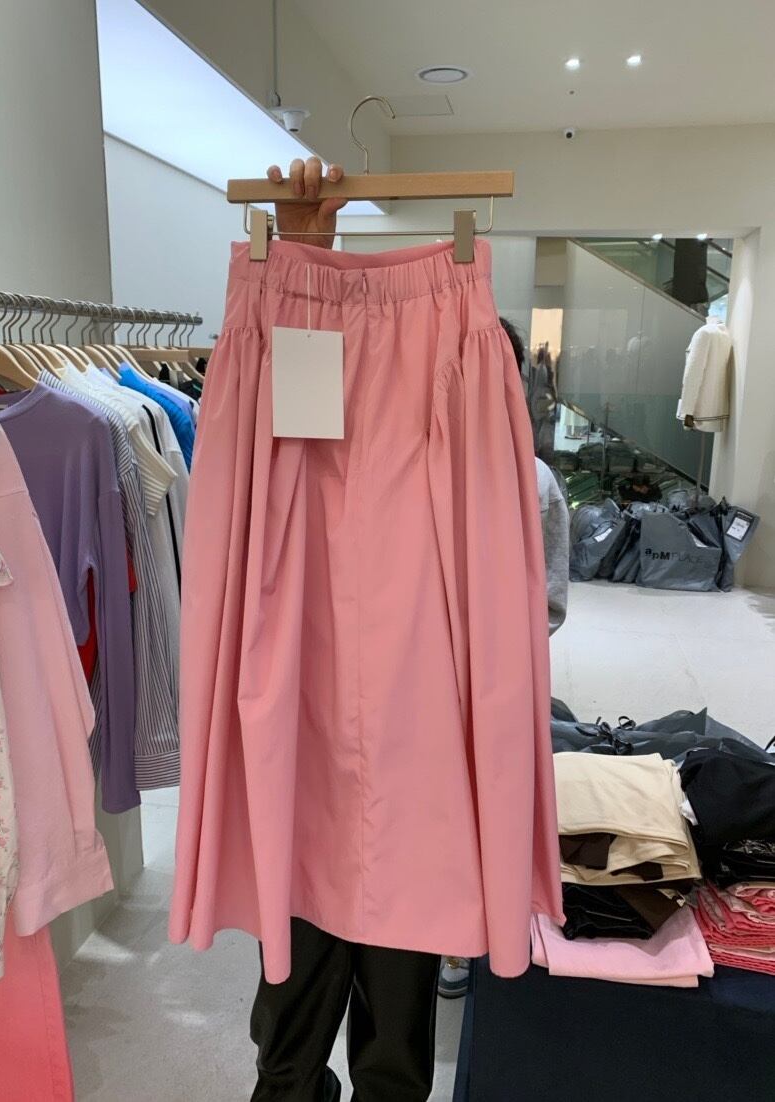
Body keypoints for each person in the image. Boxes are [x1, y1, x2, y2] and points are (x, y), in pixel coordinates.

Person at [249, 157, 440, 1102]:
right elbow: (294, 441)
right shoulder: (297, 376)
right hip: (315, 677)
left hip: (415, 689)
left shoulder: (450, 368)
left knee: (396, 868)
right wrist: (304, 263)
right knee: (314, 854)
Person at [438, 316, 570, 1000]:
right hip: (441, 672)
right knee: (455, 802)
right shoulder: (423, 465)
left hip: (489, 673)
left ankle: (465, 941)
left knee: (482, 802)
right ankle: (451, 938)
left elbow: (549, 597)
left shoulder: (534, 480)